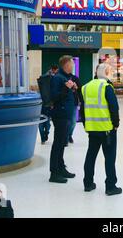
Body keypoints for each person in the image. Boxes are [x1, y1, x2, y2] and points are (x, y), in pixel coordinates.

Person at [81, 63, 122, 196]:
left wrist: (85, 125)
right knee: (109, 157)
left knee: (91, 156)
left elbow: (82, 109)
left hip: (92, 129)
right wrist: (116, 124)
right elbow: (114, 108)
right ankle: (110, 186)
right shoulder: (106, 87)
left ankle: (88, 183)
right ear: (107, 72)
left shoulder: (85, 87)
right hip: (107, 129)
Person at [49, 55, 78, 183]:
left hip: (65, 115)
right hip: (60, 115)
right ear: (66, 64)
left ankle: (61, 167)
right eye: (72, 64)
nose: (73, 66)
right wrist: (67, 88)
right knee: (58, 143)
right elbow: (54, 97)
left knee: (62, 143)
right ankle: (54, 172)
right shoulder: (57, 78)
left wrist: (72, 88)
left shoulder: (66, 78)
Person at [37, 65, 58, 145]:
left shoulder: (43, 78)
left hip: (43, 104)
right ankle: (44, 136)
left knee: (43, 122)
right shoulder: (50, 79)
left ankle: (44, 136)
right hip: (47, 104)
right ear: (53, 70)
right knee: (46, 122)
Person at [66, 74, 82, 145]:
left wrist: (81, 101)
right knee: (65, 122)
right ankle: (65, 137)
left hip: (74, 103)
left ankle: (69, 135)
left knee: (73, 122)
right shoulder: (60, 78)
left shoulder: (75, 78)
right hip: (63, 103)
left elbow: (80, 90)